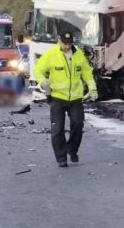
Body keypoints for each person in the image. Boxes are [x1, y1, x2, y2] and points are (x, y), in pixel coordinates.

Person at [34, 31, 98, 167]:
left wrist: (92, 88)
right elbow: (38, 70)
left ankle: (72, 149)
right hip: (57, 97)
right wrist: (43, 81)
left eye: (69, 44)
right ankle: (61, 157)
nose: (67, 46)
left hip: (75, 98)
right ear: (59, 41)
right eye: (65, 43)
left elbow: (86, 72)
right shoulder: (51, 54)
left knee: (78, 125)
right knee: (57, 130)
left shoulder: (78, 54)